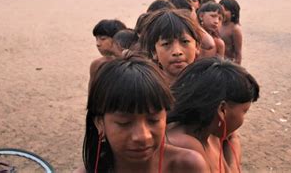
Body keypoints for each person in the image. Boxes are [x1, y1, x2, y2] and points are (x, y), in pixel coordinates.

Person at [77, 54, 208, 173]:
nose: (142, 136)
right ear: (100, 123)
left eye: (153, 120)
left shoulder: (188, 166)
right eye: (125, 123)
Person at [166, 57, 260, 173]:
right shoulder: (185, 145)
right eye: (244, 111)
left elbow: (233, 137)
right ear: (222, 109)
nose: (243, 119)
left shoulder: (211, 132)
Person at [139, 9, 201, 85]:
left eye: (185, 41)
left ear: (197, 46)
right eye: (166, 44)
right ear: (154, 52)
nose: (177, 52)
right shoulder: (148, 88)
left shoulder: (207, 86)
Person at [89, 19, 127, 90]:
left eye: (103, 39)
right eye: (96, 39)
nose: (98, 44)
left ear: (118, 39)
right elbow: (92, 93)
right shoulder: (97, 65)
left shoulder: (131, 65)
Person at [219, 0, 243, 64]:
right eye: (220, 9)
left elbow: (238, 54)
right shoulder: (217, 24)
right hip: (216, 62)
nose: (222, 12)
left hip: (227, 63)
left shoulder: (235, 29)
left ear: (233, 13)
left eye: (226, 10)